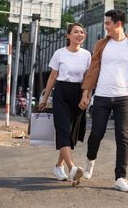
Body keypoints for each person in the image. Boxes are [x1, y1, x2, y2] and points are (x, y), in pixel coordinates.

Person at [79, 9, 128, 192]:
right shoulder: (101, 45)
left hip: (123, 97)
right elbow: (93, 70)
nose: (106, 27)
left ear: (118, 24)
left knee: (122, 137)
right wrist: (86, 94)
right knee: (96, 133)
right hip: (102, 96)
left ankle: (121, 177)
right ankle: (90, 159)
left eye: (108, 24)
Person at [38, 23, 91, 185]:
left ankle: (58, 166)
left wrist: (85, 95)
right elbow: (52, 78)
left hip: (78, 94)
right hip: (61, 93)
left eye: (82, 32)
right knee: (62, 129)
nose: (80, 34)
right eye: (76, 32)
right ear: (68, 36)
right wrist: (44, 98)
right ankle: (72, 168)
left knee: (70, 134)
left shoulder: (87, 55)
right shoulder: (59, 53)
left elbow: (88, 79)